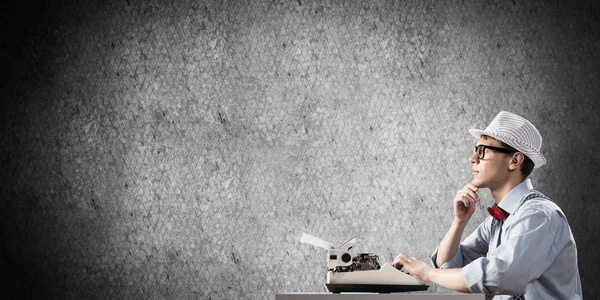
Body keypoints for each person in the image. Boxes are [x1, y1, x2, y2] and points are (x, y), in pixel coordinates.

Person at [392, 111, 582, 299]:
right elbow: (448, 265)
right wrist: (459, 222)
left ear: (515, 161)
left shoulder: (538, 215)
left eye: (482, 150)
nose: (472, 158)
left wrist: (428, 274)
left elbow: (499, 277)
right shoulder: (499, 218)